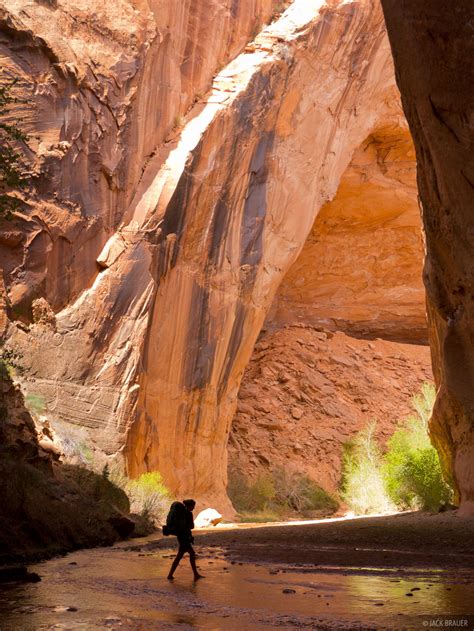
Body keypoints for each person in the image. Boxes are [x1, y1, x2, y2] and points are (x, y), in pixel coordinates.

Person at [167, 499, 204, 581]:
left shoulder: (181, 513)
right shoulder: (188, 513)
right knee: (188, 554)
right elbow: (191, 526)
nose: (193, 508)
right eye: (193, 506)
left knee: (183, 555)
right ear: (190, 506)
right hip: (184, 536)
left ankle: (171, 575)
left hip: (180, 535)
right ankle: (195, 574)